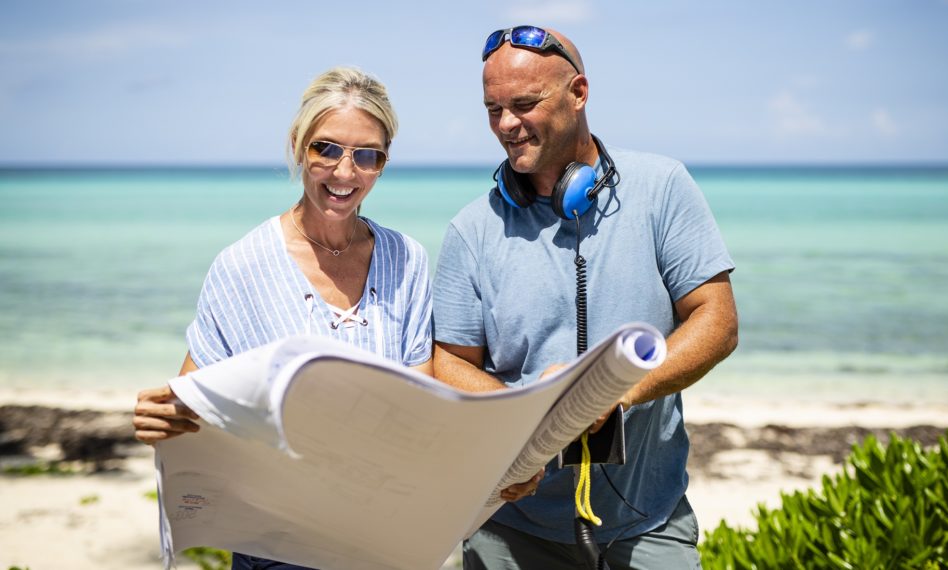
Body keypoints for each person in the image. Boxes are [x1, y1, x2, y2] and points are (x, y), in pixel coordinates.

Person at [432, 26, 739, 569]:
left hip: (650, 521)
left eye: (524, 104)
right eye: (493, 108)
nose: (506, 124)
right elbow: (449, 363)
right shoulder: (469, 230)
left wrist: (610, 394)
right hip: (509, 529)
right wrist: (532, 410)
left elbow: (716, 320)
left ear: (579, 92)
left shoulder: (663, 186)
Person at [131, 66, 438, 570]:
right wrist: (160, 417)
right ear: (298, 145)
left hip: (383, 543)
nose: (345, 172)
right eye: (327, 149)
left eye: (367, 156)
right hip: (275, 548)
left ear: (383, 162)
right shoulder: (242, 266)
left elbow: (422, 408)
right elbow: (194, 404)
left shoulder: (407, 259)